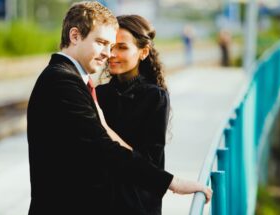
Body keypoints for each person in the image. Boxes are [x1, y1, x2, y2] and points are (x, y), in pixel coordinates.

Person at [27, 2, 212, 215]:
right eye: (102, 43)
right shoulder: (63, 81)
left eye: (114, 45)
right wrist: (173, 182)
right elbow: (103, 147)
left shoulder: (72, 80)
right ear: (75, 36)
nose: (108, 54)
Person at [96, 15, 209, 215]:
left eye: (122, 47)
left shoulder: (154, 97)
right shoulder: (100, 94)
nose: (112, 54)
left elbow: (148, 161)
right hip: (101, 201)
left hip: (138, 204)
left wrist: (175, 183)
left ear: (143, 52)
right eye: (110, 46)